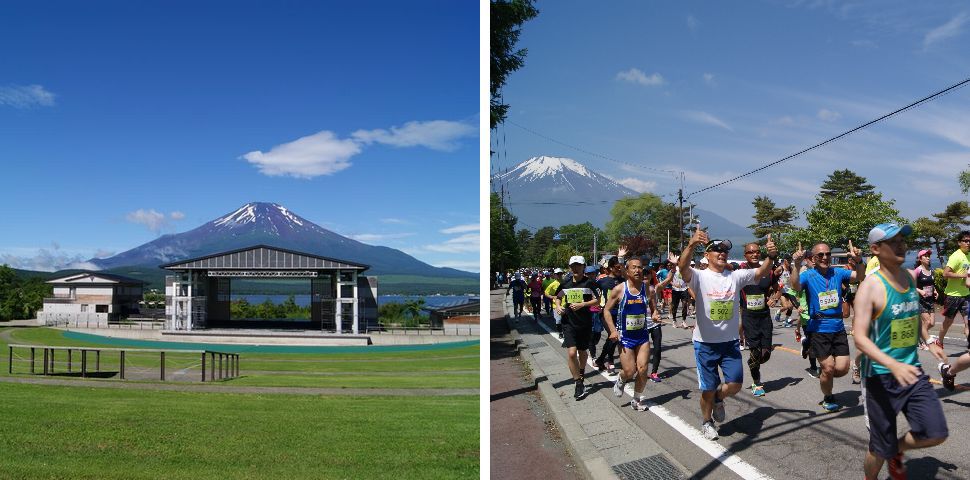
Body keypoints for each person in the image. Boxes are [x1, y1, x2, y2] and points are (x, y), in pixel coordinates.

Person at [853, 223, 948, 480]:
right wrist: (892, 364)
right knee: (879, 448)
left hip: (912, 372)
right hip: (880, 376)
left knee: (935, 432)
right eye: (892, 241)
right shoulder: (870, 287)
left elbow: (911, 315)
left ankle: (898, 450)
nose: (901, 245)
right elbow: (859, 337)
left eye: (902, 240)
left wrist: (929, 343)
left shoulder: (908, 276)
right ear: (875, 249)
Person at [676, 224, 777, 440]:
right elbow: (682, 266)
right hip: (705, 344)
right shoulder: (699, 276)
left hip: (730, 342)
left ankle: (719, 400)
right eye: (717, 250)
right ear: (707, 255)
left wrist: (770, 256)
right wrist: (692, 243)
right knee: (707, 389)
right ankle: (706, 422)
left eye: (725, 251)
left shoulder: (736, 276)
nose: (722, 253)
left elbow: (761, 271)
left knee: (735, 385)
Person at [791, 239, 865, 412]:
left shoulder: (837, 273)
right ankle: (828, 397)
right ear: (814, 259)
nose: (825, 257)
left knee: (842, 368)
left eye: (828, 254)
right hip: (818, 328)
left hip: (838, 327)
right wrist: (796, 264)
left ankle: (824, 373)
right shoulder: (808, 275)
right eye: (821, 255)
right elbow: (794, 285)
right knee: (828, 367)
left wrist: (860, 261)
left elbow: (860, 276)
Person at [603, 256, 661, 411]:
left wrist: (655, 314)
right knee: (630, 371)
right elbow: (606, 310)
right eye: (634, 267)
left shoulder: (648, 289)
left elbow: (654, 308)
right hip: (625, 337)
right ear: (627, 271)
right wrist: (613, 330)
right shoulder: (620, 289)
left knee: (642, 369)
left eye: (640, 267)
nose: (637, 270)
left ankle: (636, 399)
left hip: (642, 336)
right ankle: (621, 379)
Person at [554, 256, 601, 400]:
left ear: (583, 266)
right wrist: (558, 306)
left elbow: (598, 299)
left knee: (582, 351)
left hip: (585, 322)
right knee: (572, 353)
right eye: (573, 265)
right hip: (568, 322)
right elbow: (558, 296)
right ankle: (578, 382)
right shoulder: (565, 283)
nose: (575, 268)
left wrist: (583, 304)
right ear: (569, 267)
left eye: (578, 265)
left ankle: (581, 371)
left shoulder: (589, 282)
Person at [739, 242, 779, 397]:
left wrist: (774, 298)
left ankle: (753, 363)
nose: (754, 254)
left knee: (765, 353)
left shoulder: (768, 271)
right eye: (751, 252)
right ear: (745, 255)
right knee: (755, 350)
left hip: (764, 316)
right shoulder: (740, 270)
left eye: (757, 252)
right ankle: (757, 383)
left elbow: (777, 289)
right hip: (749, 316)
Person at [938, 231, 970, 350]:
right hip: (953, 295)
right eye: (965, 241)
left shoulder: (969, 255)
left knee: (968, 323)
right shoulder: (956, 256)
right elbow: (946, 274)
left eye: (969, 241)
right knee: (948, 322)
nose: (968, 243)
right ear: (959, 242)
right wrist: (963, 275)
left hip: (966, 295)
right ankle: (939, 341)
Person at [594, 257, 625, 375]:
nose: (619, 269)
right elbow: (593, 294)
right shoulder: (602, 281)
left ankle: (601, 359)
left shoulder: (623, 280)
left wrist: (621, 259)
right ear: (611, 268)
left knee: (613, 338)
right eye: (617, 267)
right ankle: (610, 361)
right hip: (605, 313)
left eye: (621, 267)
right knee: (614, 336)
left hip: (620, 314)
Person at [911, 249, 937, 351]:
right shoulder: (917, 270)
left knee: (932, 323)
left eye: (928, 256)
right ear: (920, 259)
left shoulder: (931, 271)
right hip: (920, 300)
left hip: (930, 300)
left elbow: (932, 285)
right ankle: (922, 341)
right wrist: (920, 291)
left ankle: (917, 336)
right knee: (927, 321)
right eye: (925, 256)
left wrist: (935, 291)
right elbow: (911, 285)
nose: (928, 257)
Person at [544, 269, 564, 339]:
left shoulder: (566, 282)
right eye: (557, 274)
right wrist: (552, 297)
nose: (559, 275)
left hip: (566, 305)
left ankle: (566, 332)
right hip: (556, 305)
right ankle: (560, 333)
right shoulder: (553, 284)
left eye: (560, 274)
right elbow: (546, 293)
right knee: (558, 320)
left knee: (566, 320)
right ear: (555, 275)